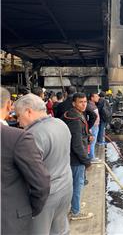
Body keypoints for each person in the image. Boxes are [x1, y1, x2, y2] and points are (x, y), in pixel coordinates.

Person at [14, 93, 73, 234]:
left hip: (46, 197)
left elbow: (32, 174)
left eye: (18, 116)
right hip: (66, 187)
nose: (18, 121)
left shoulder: (32, 135)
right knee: (60, 230)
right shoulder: (60, 123)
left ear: (28, 111)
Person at [1, 87, 50, 235]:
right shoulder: (17, 138)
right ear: (9, 105)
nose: (19, 122)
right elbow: (41, 184)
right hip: (9, 221)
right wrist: (30, 209)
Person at [62, 92, 93, 220]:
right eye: (81, 102)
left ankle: (75, 205)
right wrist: (86, 161)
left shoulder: (74, 114)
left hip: (71, 156)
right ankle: (75, 211)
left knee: (74, 184)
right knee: (77, 184)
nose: (84, 104)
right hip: (76, 159)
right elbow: (77, 144)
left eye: (85, 102)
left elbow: (80, 136)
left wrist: (87, 137)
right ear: (74, 103)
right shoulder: (75, 119)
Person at [88, 92, 100, 161]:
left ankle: (91, 156)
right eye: (96, 96)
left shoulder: (92, 105)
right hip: (93, 126)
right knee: (92, 141)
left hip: (95, 125)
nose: (98, 97)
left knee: (93, 142)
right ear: (92, 98)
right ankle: (91, 157)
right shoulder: (90, 106)